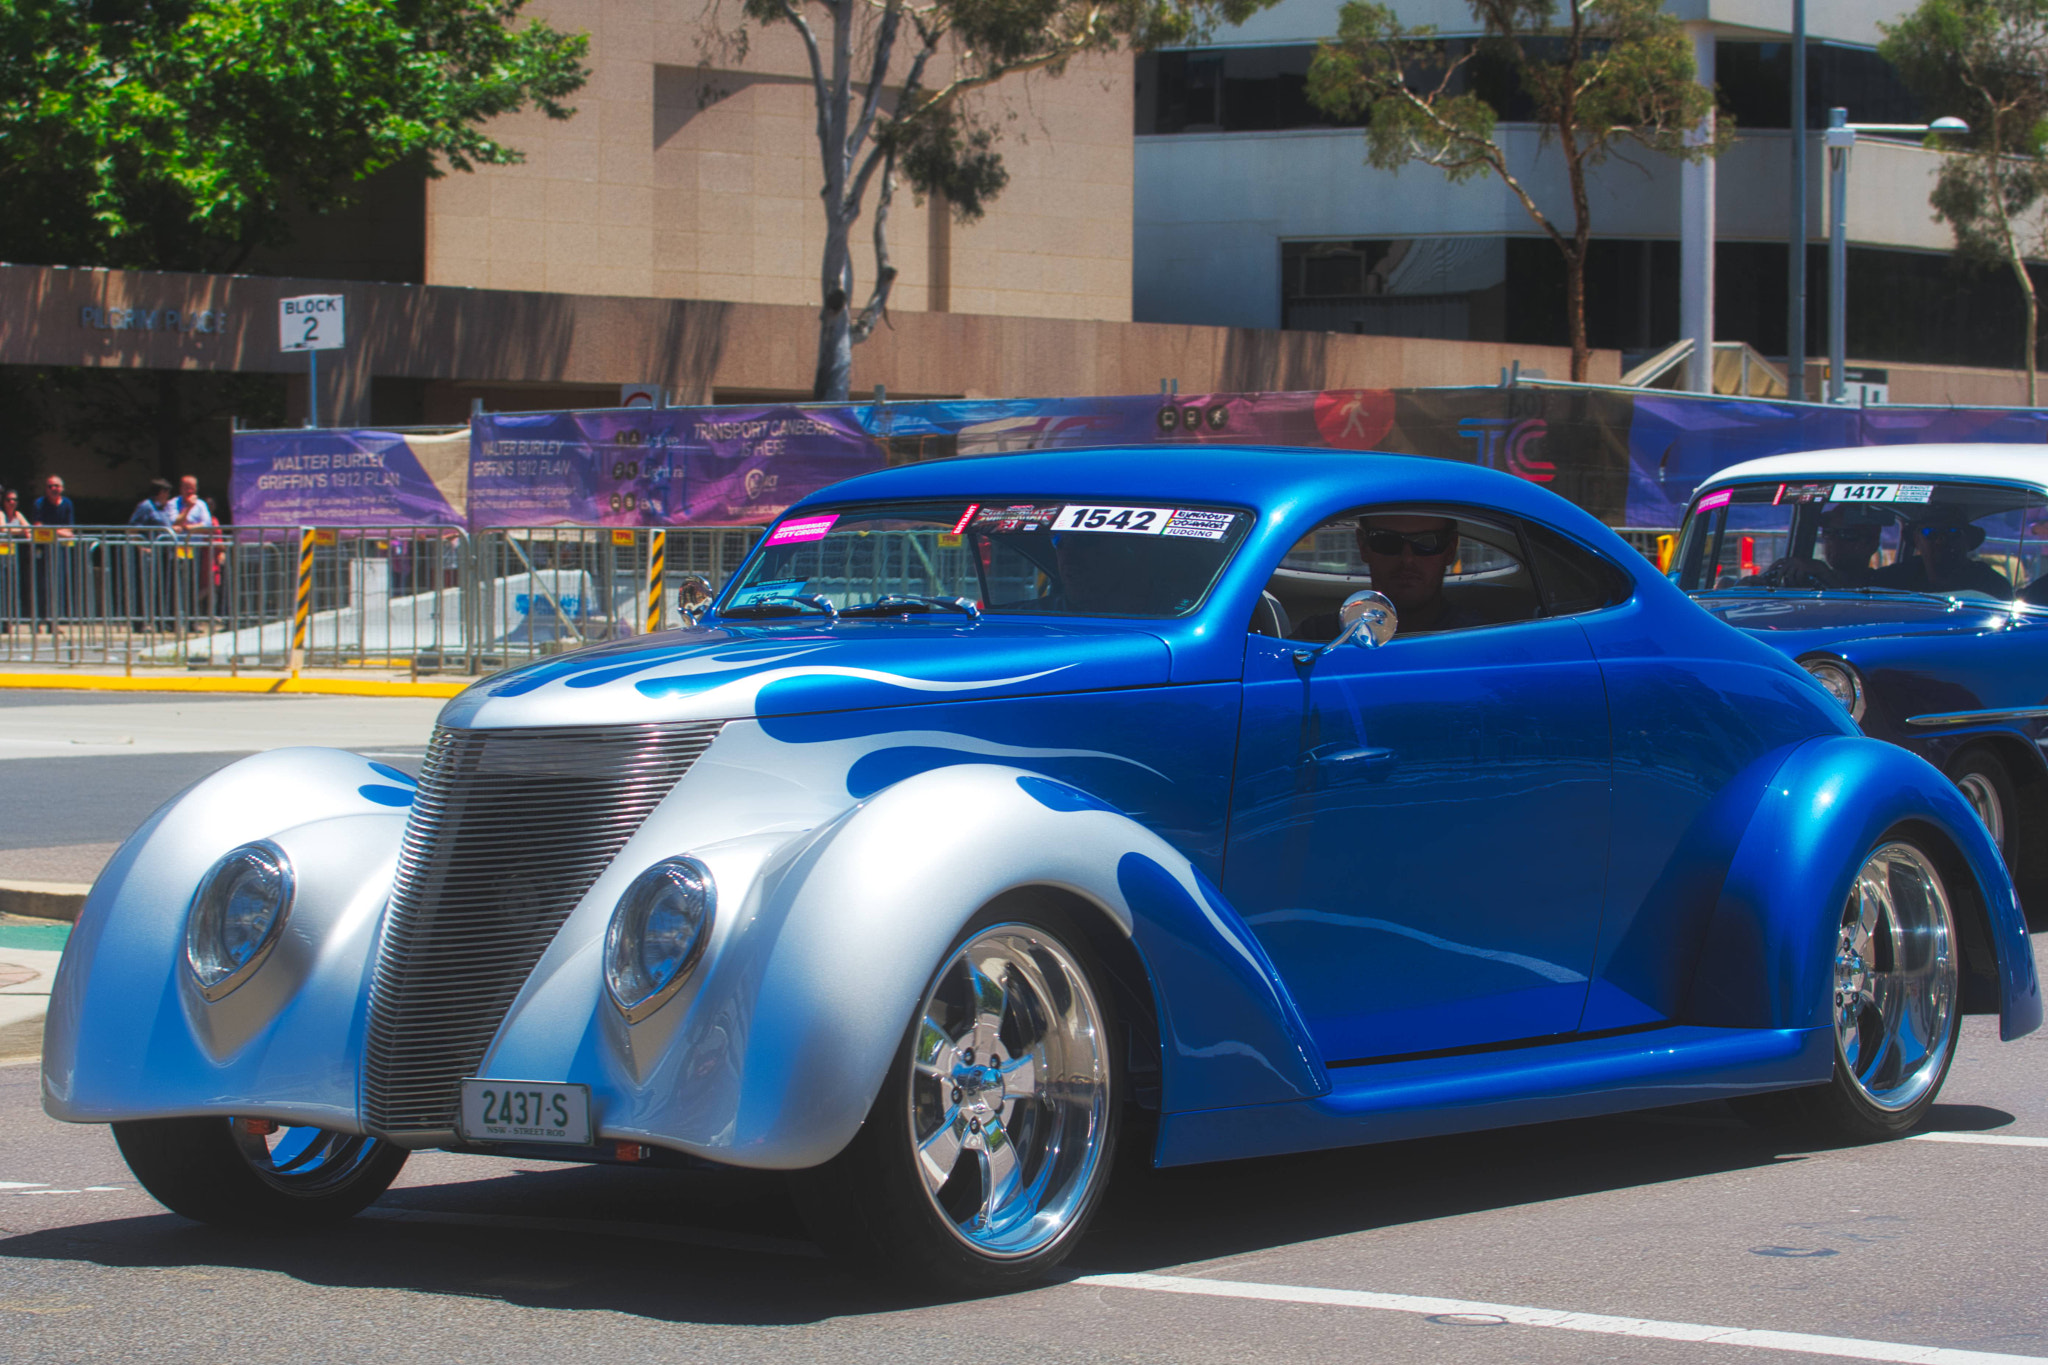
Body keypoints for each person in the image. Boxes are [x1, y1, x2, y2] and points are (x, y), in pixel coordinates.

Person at [1290, 513, 1485, 641]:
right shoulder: (1317, 639)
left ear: (1450, 550)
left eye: (1426, 543)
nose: (1407, 559)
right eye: (1386, 542)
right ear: (1363, 546)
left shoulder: (1477, 640)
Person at [1871, 516, 2012, 599]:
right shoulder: (1889, 580)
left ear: (1967, 540)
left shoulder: (1992, 585)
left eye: (1953, 532)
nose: (1941, 541)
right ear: (1917, 540)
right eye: (1930, 533)